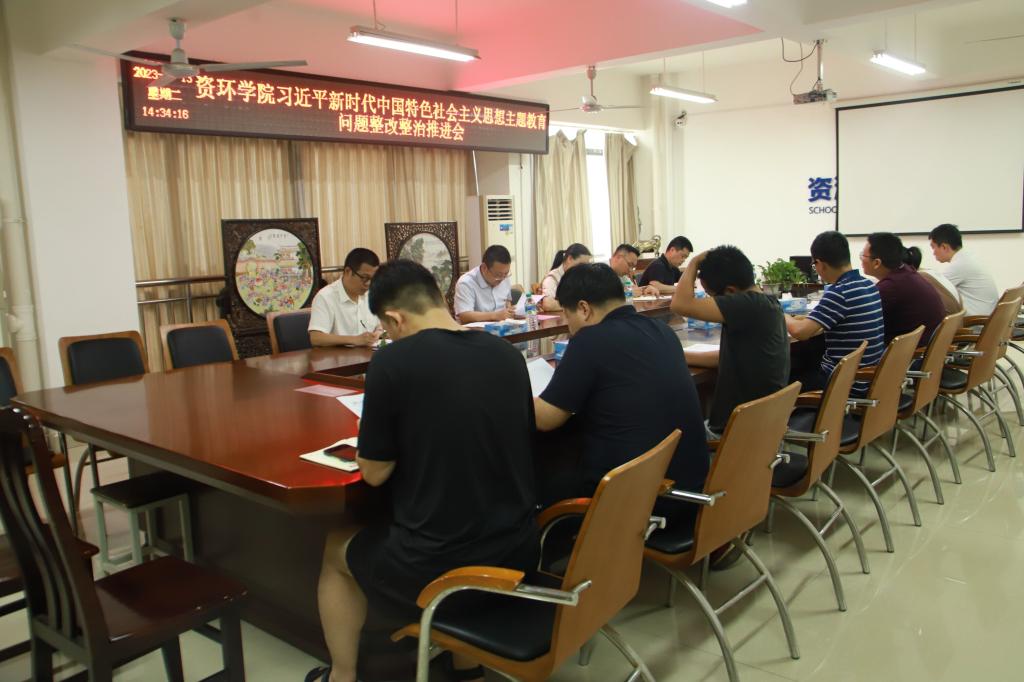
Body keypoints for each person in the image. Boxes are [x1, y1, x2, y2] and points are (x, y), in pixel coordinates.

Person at [310, 260, 538, 682]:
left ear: (394, 319)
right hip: (518, 550)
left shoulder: (393, 363)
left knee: (336, 548)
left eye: (387, 328)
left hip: (441, 569)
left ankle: (341, 675)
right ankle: (466, 664)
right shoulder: (505, 354)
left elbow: (374, 473)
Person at [534, 263, 710, 503]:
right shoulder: (662, 330)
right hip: (689, 488)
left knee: (543, 481)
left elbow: (546, 418)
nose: (569, 326)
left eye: (567, 314)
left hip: (634, 499)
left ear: (583, 308)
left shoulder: (589, 340)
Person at [672, 246, 790, 436]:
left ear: (730, 292)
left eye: (711, 296)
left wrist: (693, 263)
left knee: (670, 435)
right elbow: (730, 357)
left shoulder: (748, 305)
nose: (710, 301)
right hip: (762, 431)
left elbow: (680, 304)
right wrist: (679, 355)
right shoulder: (766, 303)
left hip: (733, 436)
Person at [786, 231, 885, 395]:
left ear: (820, 264)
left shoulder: (839, 292)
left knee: (784, 377)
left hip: (841, 383)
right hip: (866, 377)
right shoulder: (869, 285)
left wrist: (780, 314)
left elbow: (800, 332)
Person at [860, 233, 945, 343]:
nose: (861, 259)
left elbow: (862, 324)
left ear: (877, 263)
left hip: (913, 351)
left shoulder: (890, 288)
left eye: (863, 255)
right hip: (927, 346)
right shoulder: (907, 272)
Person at [308, 248, 382, 347]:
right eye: (365, 278)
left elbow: (380, 324)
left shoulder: (372, 294)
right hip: (338, 356)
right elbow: (316, 338)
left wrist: (378, 331)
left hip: (370, 353)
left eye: (373, 279)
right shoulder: (325, 297)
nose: (368, 284)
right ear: (348, 271)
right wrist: (355, 340)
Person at [928, 223, 999, 316]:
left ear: (944, 247)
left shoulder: (960, 265)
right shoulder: (967, 258)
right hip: (989, 315)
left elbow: (930, 290)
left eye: (933, 247)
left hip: (976, 321)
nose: (933, 253)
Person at [453, 245, 515, 323]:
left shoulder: (504, 277)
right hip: (475, 329)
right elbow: (464, 315)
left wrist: (511, 312)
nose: (502, 279)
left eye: (506, 273)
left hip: (503, 326)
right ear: (484, 268)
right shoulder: (466, 283)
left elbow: (507, 303)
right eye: (498, 275)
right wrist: (495, 315)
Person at [903, 246, 963, 315]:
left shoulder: (916, 278)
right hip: (955, 318)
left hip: (947, 319)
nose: (934, 253)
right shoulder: (929, 272)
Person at [540, 243, 592, 312]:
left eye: (586, 266)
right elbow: (548, 304)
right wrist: (575, 306)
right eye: (581, 264)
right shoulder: (552, 278)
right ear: (570, 259)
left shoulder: (579, 277)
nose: (583, 269)